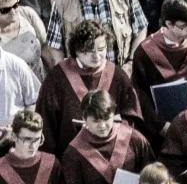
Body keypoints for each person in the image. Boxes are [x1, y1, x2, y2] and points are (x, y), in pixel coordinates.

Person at [38, 18, 144, 153]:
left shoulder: (117, 75)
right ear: (76, 50)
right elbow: (46, 122)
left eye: (101, 49)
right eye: (88, 50)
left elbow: (132, 115)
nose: (96, 56)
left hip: (112, 149)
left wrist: (113, 126)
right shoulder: (57, 78)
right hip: (73, 154)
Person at [130, 0, 187, 138]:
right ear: (168, 24)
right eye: (184, 26)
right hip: (160, 128)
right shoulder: (145, 51)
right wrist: (160, 125)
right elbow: (139, 94)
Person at [61, 90, 155, 184]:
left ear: (113, 114)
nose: (102, 126)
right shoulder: (73, 154)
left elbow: (153, 175)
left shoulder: (135, 139)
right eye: (96, 121)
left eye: (106, 118)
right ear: (84, 119)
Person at [0, 0, 46, 82]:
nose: (13, 12)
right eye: (5, 10)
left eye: (15, 5)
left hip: (40, 83)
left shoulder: (27, 14)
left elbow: (46, 50)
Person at [0, 111, 60, 184]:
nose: (33, 146)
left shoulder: (52, 164)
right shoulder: (2, 168)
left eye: (37, 139)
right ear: (14, 136)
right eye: (27, 139)